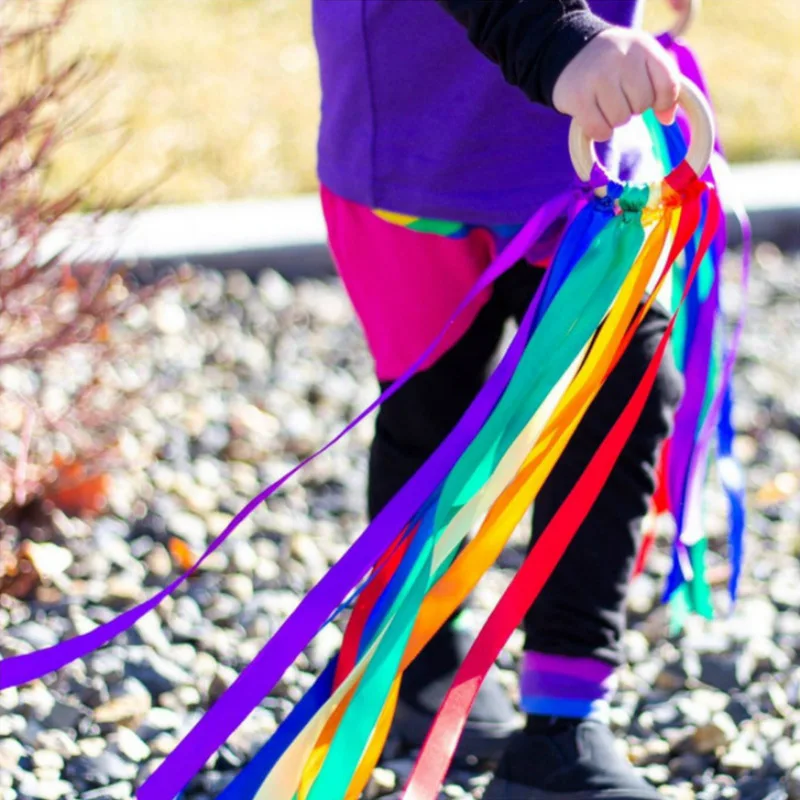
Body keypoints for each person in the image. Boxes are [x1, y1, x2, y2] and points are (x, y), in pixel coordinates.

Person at [312, 1, 691, 797]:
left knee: (618, 384)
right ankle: (413, 662)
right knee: (430, 411)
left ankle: (563, 718)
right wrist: (563, 39)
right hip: (416, 148)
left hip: (579, 148)